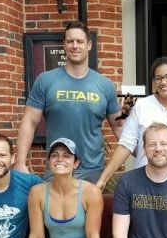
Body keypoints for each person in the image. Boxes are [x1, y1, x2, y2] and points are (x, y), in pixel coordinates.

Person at [16, 20, 123, 182]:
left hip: (93, 171)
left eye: (79, 41)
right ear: (64, 45)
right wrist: (20, 162)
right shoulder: (45, 80)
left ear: (89, 45)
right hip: (57, 167)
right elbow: (29, 122)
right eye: (70, 41)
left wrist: (142, 155)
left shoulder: (105, 85)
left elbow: (119, 126)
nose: (75, 46)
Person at [96, 56, 167, 189]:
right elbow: (127, 143)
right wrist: (103, 179)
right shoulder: (142, 106)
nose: (163, 82)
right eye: (158, 78)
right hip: (144, 181)